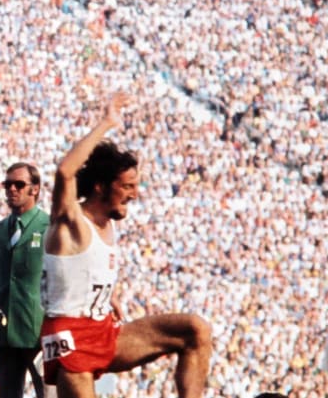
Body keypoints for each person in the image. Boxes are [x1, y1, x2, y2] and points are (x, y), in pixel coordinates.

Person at [40, 93, 212, 397]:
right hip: (70, 338)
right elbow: (65, 172)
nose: (134, 194)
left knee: (195, 330)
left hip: (103, 330)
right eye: (127, 186)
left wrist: (111, 294)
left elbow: (84, 270)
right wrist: (106, 123)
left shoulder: (108, 225)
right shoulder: (71, 221)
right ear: (100, 187)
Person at [0, 162, 50, 398]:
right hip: (4, 332)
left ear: (35, 189)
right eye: (7, 185)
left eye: (19, 184)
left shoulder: (49, 225)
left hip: (38, 330)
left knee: (48, 393)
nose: (12, 190)